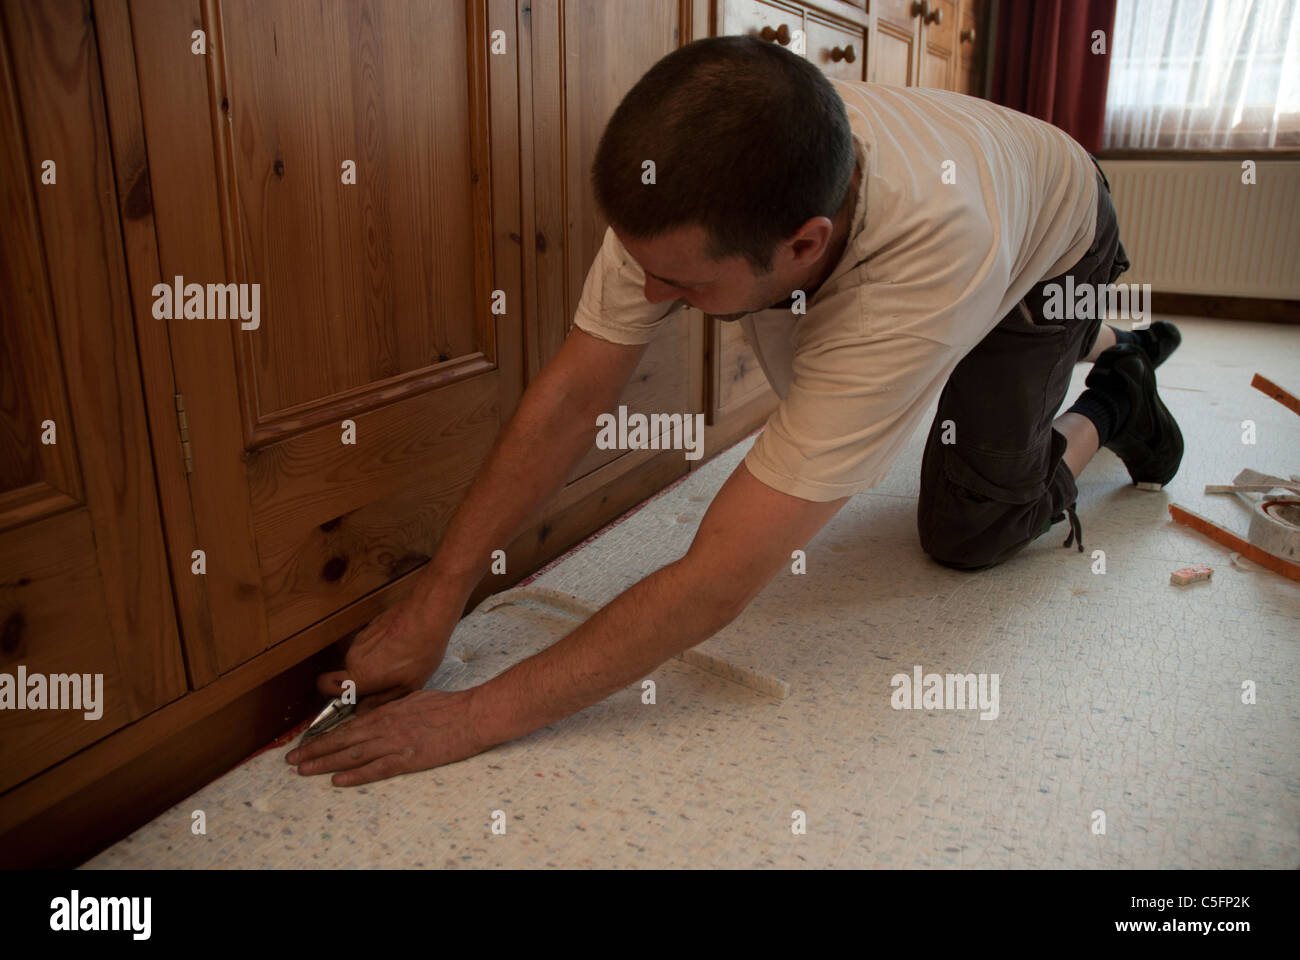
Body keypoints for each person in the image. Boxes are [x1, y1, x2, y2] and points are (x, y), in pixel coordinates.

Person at [286, 36, 1183, 786]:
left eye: (676, 282)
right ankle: (1089, 348)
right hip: (980, 203)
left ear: (805, 244)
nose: (646, 292)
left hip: (1054, 238)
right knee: (864, 382)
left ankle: (1117, 390)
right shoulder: (694, 188)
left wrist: (473, 718)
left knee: (970, 530)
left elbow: (716, 580)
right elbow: (572, 395)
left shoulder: (919, 273)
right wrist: (436, 600)